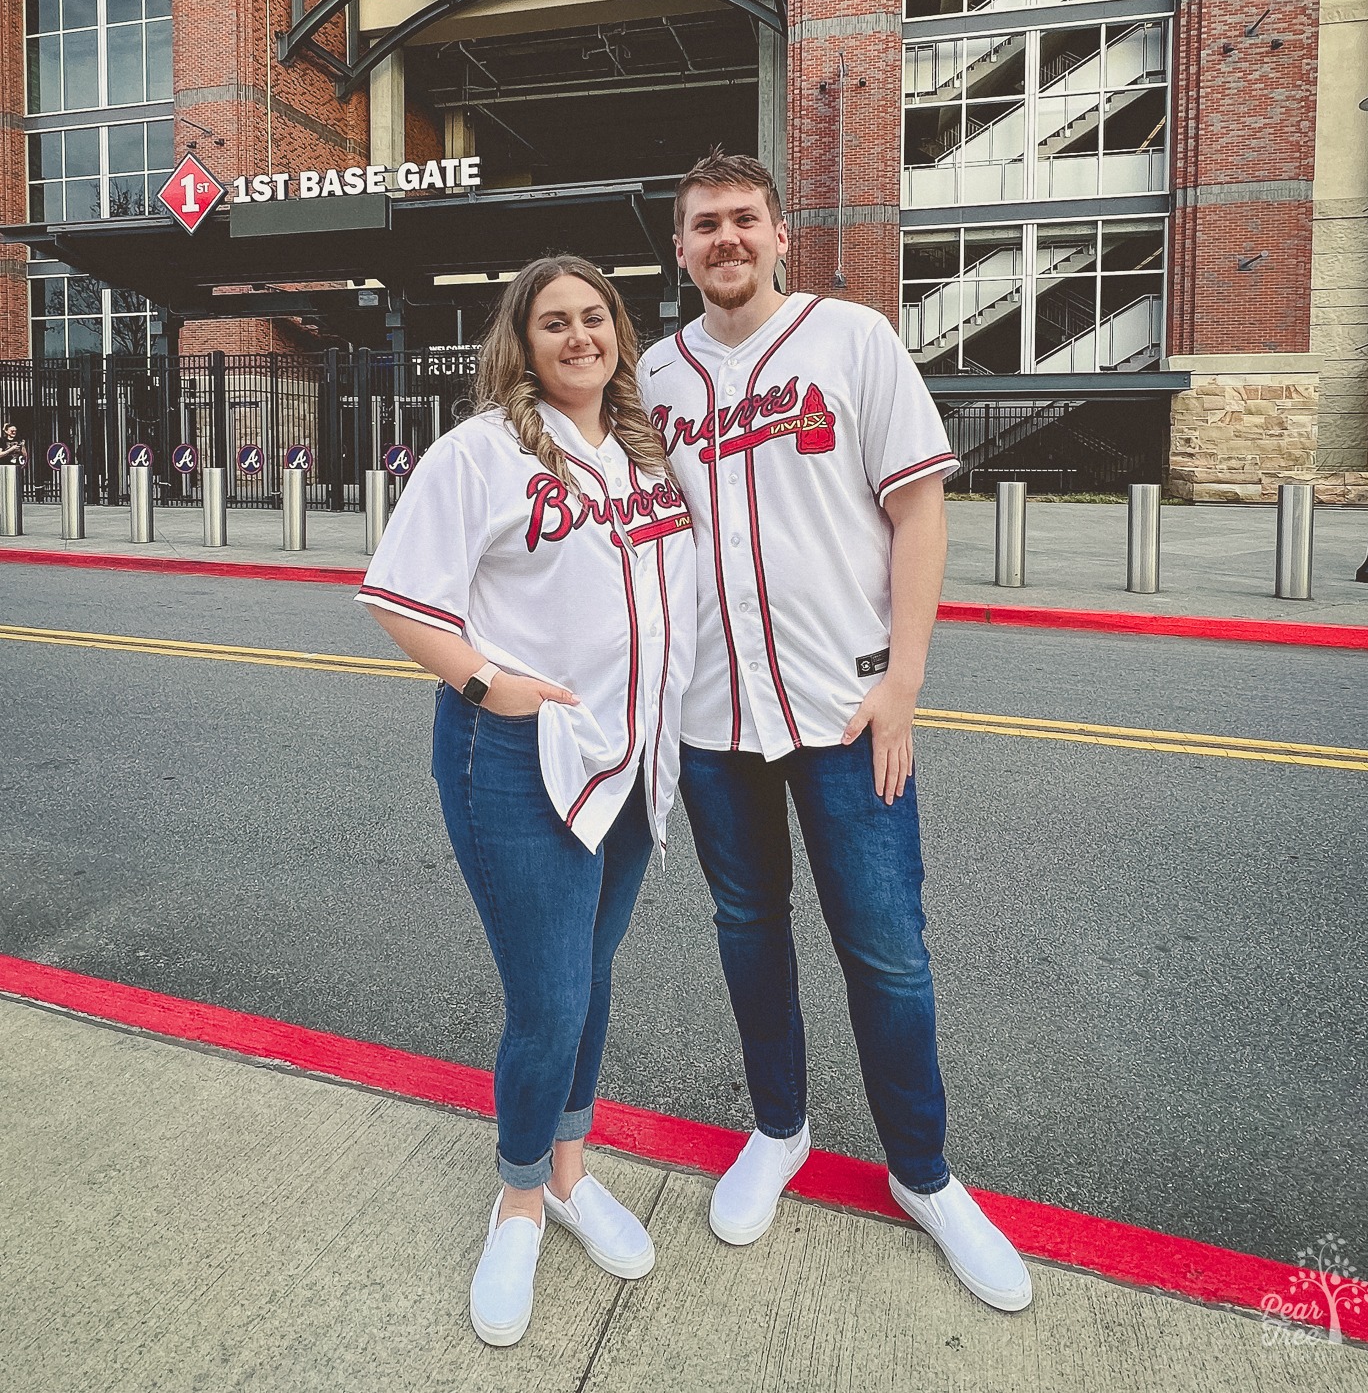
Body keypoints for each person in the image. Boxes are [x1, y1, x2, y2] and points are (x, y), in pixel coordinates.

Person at [637, 151, 1032, 1313]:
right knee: (747, 925)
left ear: (779, 234)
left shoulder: (851, 340)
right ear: (679, 246)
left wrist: (904, 683)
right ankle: (778, 1128)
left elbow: (918, 513)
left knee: (885, 948)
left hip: (846, 705)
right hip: (713, 714)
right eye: (702, 224)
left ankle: (923, 1174)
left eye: (742, 220)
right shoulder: (652, 375)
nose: (725, 239)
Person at [359, 255, 696, 1348]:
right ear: (522, 339)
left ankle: (565, 1172)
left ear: (618, 331)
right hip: (516, 754)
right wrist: (486, 682)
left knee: (590, 980)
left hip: (629, 753)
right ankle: (513, 1201)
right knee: (547, 998)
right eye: (554, 322)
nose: (578, 336)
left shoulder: (645, 452)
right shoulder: (479, 453)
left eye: (594, 316)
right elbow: (400, 597)